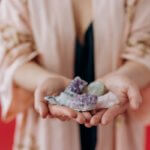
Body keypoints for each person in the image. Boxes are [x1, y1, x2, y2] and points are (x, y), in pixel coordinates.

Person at [0, 0, 150, 150]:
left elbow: (145, 50)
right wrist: (44, 81)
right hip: (45, 133)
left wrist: (126, 78)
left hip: (117, 127)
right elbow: (10, 53)